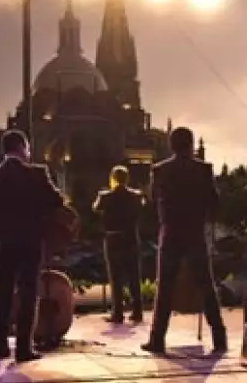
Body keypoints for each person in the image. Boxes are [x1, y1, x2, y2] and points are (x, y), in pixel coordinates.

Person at [0, 130, 67, 362]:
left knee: (4, 292)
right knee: (28, 293)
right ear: (22, 148)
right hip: (30, 241)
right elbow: (57, 201)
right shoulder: (37, 173)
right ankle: (23, 348)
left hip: (5, 241)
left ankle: (0, 346)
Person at [142, 127, 227, 355]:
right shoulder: (204, 169)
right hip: (195, 232)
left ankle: (157, 339)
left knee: (165, 287)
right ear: (190, 144)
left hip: (170, 232)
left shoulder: (160, 170)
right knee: (206, 285)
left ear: (171, 145)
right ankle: (219, 337)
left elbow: (152, 199)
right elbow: (214, 202)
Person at [93, 165, 146, 324]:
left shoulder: (105, 196)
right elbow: (142, 207)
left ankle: (118, 312)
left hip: (113, 238)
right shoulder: (136, 196)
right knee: (134, 275)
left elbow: (95, 208)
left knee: (116, 276)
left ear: (113, 178)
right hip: (130, 238)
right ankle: (137, 311)